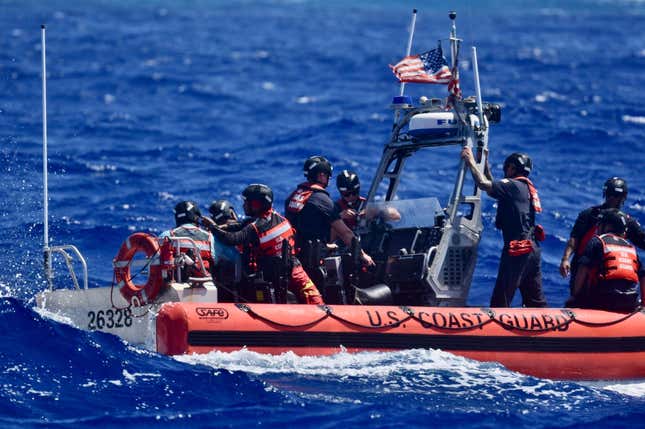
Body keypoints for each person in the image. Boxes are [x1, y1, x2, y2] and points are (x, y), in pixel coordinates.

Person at [208, 183, 324, 305]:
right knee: (315, 298)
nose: (243, 205)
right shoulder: (277, 217)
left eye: (246, 202)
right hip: (294, 268)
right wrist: (224, 227)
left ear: (256, 205)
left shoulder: (256, 228)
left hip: (277, 275)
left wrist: (213, 228)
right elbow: (243, 224)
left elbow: (232, 239)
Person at [461, 148, 547, 307]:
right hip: (532, 250)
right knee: (535, 302)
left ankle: (494, 330)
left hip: (518, 251)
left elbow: (483, 184)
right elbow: (494, 190)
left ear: (512, 168)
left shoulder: (512, 185)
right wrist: (485, 165)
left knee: (501, 301)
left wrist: (470, 161)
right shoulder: (523, 187)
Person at [285, 155, 374, 266]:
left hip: (294, 256)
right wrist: (362, 255)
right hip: (312, 260)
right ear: (322, 176)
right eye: (328, 176)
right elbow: (346, 233)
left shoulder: (293, 197)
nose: (328, 179)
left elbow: (303, 229)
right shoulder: (323, 200)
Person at [560, 177, 645, 294]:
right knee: (579, 299)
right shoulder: (589, 215)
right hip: (583, 269)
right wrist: (565, 259)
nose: (612, 198)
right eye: (609, 194)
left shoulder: (627, 221)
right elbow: (574, 238)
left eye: (616, 195)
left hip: (608, 273)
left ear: (623, 197)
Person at [566, 209, 644, 312]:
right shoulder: (630, 248)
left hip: (605, 300)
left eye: (600, 224)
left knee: (575, 301)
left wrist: (575, 296)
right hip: (630, 301)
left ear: (607, 226)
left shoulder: (597, 241)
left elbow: (583, 270)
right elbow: (643, 276)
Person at [159, 201, 216, 279]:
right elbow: (216, 260)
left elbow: (156, 261)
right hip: (204, 281)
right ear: (196, 216)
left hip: (175, 281)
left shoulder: (167, 235)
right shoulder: (209, 237)